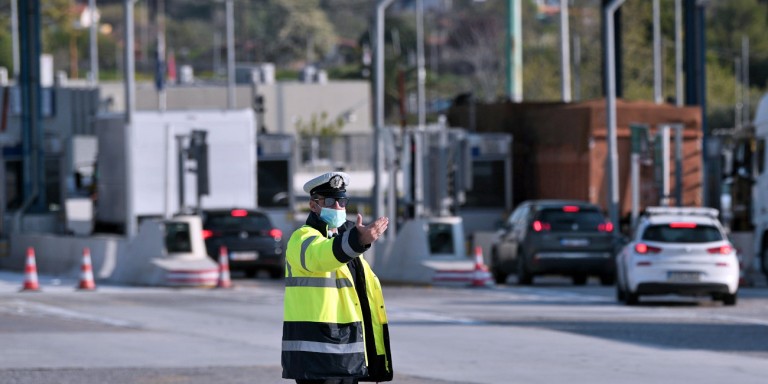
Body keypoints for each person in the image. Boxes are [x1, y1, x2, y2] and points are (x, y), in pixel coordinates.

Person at [282, 171, 393, 384]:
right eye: (330, 201)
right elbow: (322, 255)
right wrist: (357, 241)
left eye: (341, 201)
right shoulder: (302, 238)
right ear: (313, 205)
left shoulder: (349, 245)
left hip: (345, 355)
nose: (337, 207)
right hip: (316, 358)